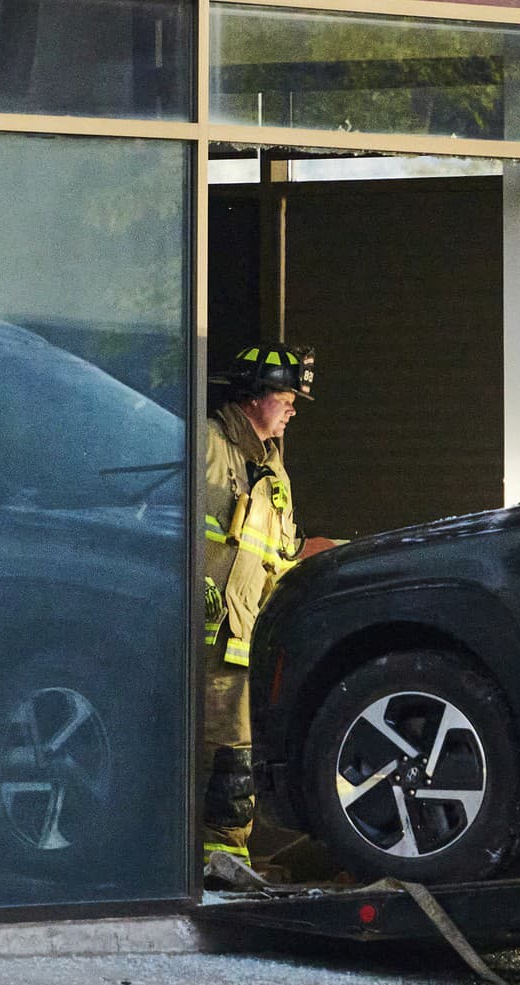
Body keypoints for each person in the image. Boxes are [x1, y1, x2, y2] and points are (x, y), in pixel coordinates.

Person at [201, 342, 315, 874]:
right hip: (200, 633)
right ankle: (214, 857)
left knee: (239, 749)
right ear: (254, 398)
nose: (293, 409)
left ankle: (228, 856)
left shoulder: (274, 472)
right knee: (219, 747)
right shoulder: (208, 446)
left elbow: (279, 559)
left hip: (245, 638)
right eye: (286, 397)